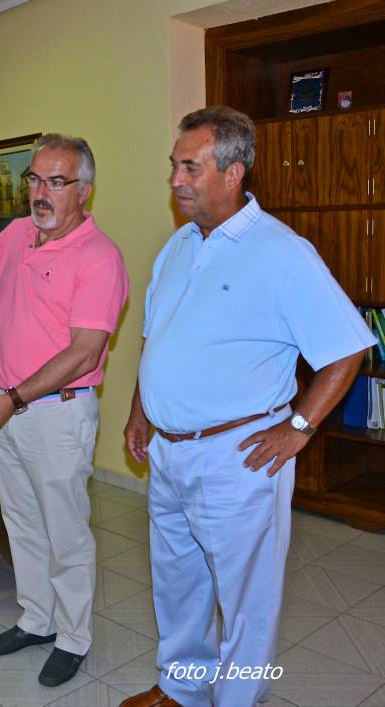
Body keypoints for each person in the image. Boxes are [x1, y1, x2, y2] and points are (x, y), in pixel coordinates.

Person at [121, 106, 373, 707]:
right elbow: (157, 338)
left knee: (246, 598)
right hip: (171, 451)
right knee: (177, 581)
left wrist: (298, 429)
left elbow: (346, 349)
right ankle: (181, 687)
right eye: (174, 166)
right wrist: (140, 410)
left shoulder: (282, 253)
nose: (176, 180)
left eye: (191, 167)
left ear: (233, 172)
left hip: (238, 456)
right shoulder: (178, 247)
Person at [0, 134, 129, 686]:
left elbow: (84, 349)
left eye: (55, 182)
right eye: (34, 179)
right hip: (8, 407)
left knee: (65, 533)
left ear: (83, 191)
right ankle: (37, 619)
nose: (40, 192)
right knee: (22, 524)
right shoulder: (17, 235)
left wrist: (12, 399)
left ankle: (74, 637)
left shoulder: (99, 256)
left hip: (56, 413)